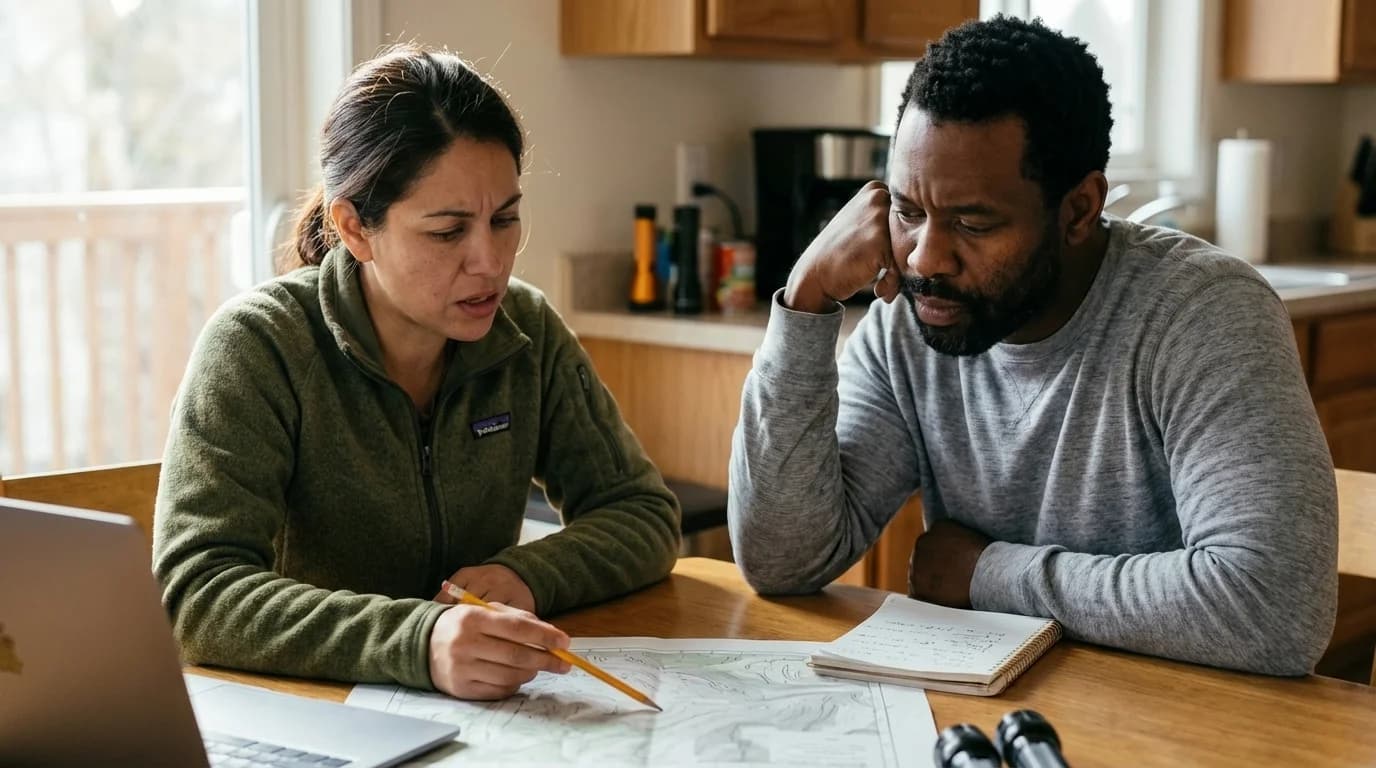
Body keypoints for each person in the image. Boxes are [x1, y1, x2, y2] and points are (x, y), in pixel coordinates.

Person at [728, 16, 1336, 676]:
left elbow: (1273, 611)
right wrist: (805, 303)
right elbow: (782, 562)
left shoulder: (1202, 312)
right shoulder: (912, 318)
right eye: (907, 211)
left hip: (1188, 724)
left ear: (1078, 210)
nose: (927, 257)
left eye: (972, 221)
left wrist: (986, 573)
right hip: (999, 717)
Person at [153, 45, 680, 700]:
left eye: (505, 219)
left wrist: (527, 575)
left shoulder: (527, 331)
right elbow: (197, 594)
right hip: (311, 716)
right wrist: (418, 640)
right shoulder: (258, 348)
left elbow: (643, 515)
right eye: (447, 232)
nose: (489, 262)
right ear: (354, 227)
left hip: (479, 718)